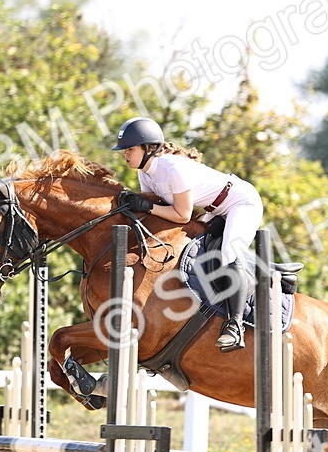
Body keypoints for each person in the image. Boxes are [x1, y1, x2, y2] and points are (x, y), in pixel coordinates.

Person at [112, 116, 263, 352]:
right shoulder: (145, 173)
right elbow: (157, 211)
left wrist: (146, 205)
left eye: (130, 149)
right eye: (125, 150)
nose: (125, 154)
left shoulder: (173, 169)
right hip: (214, 210)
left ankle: (235, 327)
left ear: (149, 148)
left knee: (227, 254)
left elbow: (182, 215)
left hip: (239, 202)